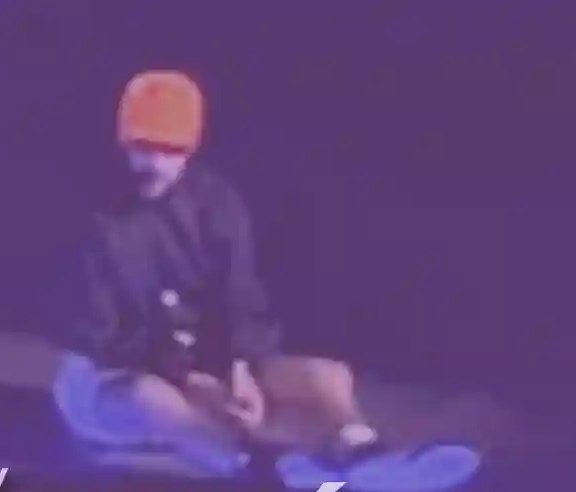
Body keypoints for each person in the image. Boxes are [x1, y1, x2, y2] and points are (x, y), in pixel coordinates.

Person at [64, 70, 379, 471]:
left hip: (205, 367)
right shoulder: (96, 216)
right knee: (156, 400)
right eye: (143, 148)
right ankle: (248, 470)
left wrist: (240, 368)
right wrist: (188, 379)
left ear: (190, 149)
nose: (154, 163)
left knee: (327, 376)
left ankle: (361, 450)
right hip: (114, 378)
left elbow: (241, 300)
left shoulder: (217, 204)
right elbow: (104, 337)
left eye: (169, 150)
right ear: (123, 142)